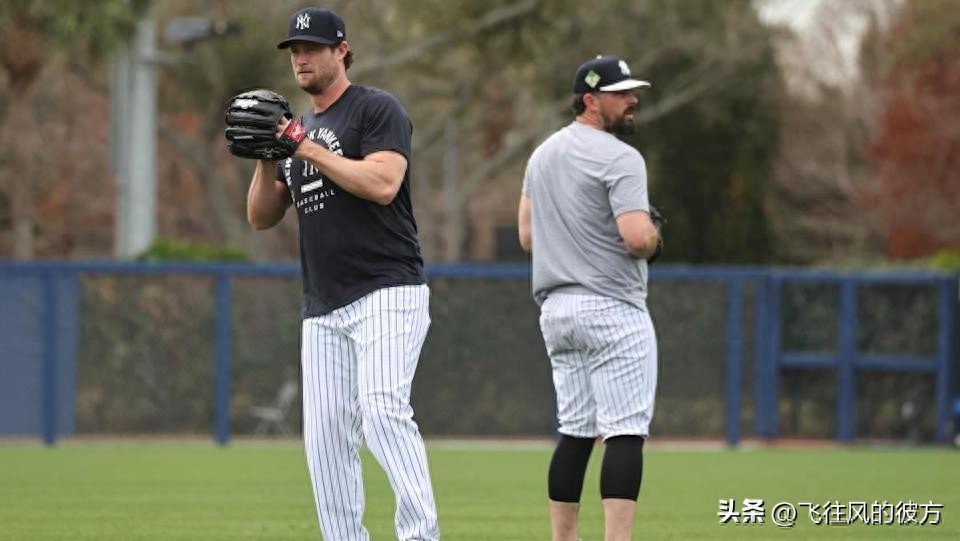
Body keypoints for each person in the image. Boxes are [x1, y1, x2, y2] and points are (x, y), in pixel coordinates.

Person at [243, 7, 440, 541]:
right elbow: (260, 216)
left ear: (342, 51)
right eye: (294, 50)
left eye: (311, 47)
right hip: (323, 305)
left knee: (381, 410)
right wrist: (267, 155)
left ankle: (421, 535)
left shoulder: (375, 109)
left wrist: (301, 146)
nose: (301, 58)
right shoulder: (297, 131)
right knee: (325, 437)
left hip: (388, 289)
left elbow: (382, 184)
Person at [517, 54, 661, 541]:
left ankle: (563, 538)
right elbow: (637, 238)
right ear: (590, 100)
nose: (632, 99)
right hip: (612, 307)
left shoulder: (542, 155)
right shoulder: (621, 158)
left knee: (576, 432)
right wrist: (655, 235)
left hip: (558, 310)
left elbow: (527, 237)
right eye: (621, 93)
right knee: (624, 432)